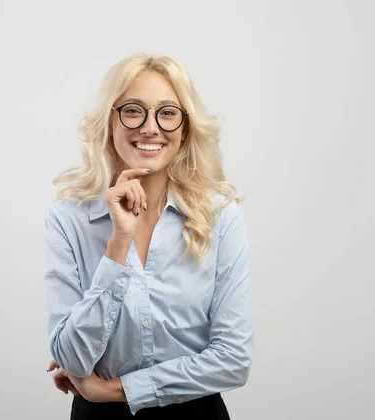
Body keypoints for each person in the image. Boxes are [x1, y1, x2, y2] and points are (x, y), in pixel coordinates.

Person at [43, 53, 254, 419]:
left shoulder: (219, 216)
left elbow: (233, 360)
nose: (150, 127)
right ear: (111, 122)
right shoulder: (67, 219)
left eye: (168, 112)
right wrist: (118, 243)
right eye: (133, 110)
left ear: (185, 128)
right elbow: (72, 356)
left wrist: (111, 390)